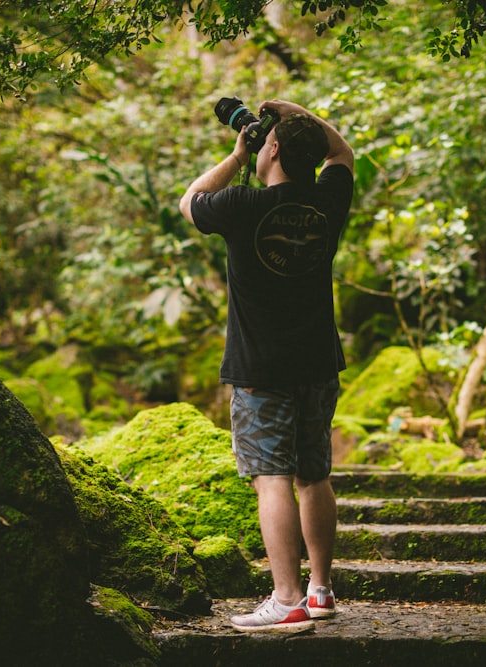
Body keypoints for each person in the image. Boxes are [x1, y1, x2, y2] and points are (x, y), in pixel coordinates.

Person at [179, 99, 354, 634]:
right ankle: (320, 590)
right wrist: (294, 113)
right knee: (314, 474)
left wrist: (236, 154)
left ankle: (286, 598)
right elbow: (341, 150)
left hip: (260, 370)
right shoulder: (329, 200)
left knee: (271, 478)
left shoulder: (239, 206)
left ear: (270, 148)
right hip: (318, 365)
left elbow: (190, 201)